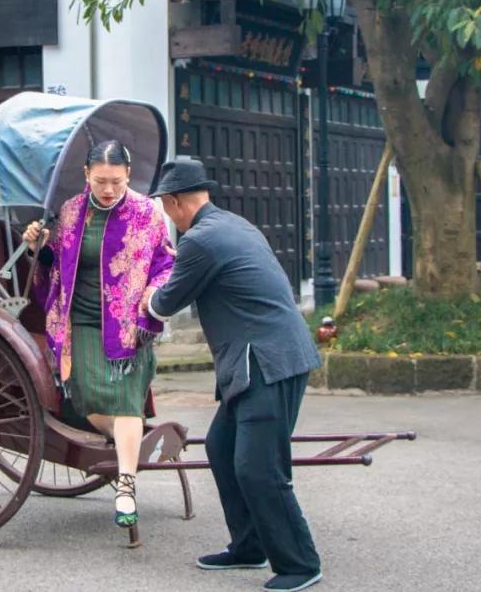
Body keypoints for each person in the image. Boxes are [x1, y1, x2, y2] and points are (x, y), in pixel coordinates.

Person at [142, 157, 323, 592]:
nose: (166, 215)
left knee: (258, 467)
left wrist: (148, 293)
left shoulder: (201, 241)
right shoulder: (231, 225)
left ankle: (300, 563)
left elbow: (164, 305)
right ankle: (249, 546)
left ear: (174, 201)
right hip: (264, 357)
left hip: (266, 361)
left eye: (165, 207)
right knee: (223, 449)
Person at [23, 140, 174, 529]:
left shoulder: (147, 212)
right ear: (86, 175)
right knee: (89, 396)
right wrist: (38, 246)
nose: (108, 190)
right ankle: (132, 441)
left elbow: (166, 261)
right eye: (101, 181)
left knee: (125, 400)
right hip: (82, 320)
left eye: (117, 182)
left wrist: (155, 290)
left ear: (128, 176)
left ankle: (126, 485)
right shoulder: (71, 211)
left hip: (129, 326)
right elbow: (54, 265)